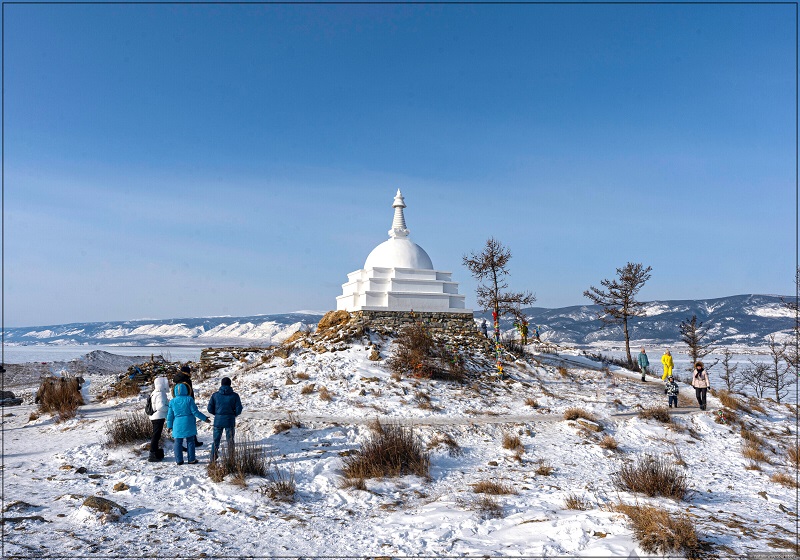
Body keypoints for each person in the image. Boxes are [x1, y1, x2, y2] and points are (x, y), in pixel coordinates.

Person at [167, 382, 210, 465]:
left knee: (178, 442)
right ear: (186, 390)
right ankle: (191, 459)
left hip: (177, 424)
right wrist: (204, 418)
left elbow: (170, 415)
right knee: (190, 441)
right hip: (188, 422)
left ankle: (179, 460)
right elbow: (195, 412)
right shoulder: (189, 399)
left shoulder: (172, 401)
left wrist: (169, 426)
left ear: (175, 391)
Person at [207, 377, 244, 462]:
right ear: (230, 384)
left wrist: (217, 414)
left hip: (218, 420)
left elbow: (209, 408)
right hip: (229, 420)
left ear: (221, 384)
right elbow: (239, 409)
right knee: (230, 441)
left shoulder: (215, 395)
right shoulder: (235, 396)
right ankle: (231, 458)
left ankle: (213, 458)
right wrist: (233, 414)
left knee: (216, 441)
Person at [172, 365, 203, 447]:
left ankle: (181, 443)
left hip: (179, 402)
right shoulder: (185, 380)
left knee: (180, 422)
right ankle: (192, 441)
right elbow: (188, 391)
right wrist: (191, 400)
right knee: (190, 421)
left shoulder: (179, 379)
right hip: (187, 402)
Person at [147, 376, 170, 462]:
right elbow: (160, 407)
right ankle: (153, 453)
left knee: (156, 435)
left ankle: (154, 451)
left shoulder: (155, 392)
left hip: (154, 416)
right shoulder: (161, 394)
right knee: (156, 435)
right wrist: (169, 407)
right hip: (158, 416)